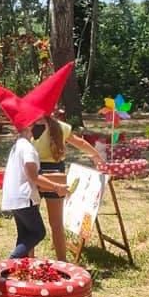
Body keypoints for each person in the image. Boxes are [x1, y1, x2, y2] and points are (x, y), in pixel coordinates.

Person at [0, 67, 73, 259]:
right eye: (37, 123)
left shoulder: (19, 145)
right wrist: (56, 187)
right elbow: (33, 177)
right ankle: (10, 263)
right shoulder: (27, 148)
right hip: (24, 198)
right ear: (30, 126)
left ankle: (22, 268)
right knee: (38, 233)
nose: (40, 126)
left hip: (15, 198)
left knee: (25, 235)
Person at [33, 110, 102, 260]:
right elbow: (80, 143)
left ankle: (28, 261)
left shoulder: (27, 127)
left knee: (30, 222)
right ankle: (62, 262)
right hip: (57, 176)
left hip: (35, 175)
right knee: (57, 224)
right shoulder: (61, 127)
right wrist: (96, 156)